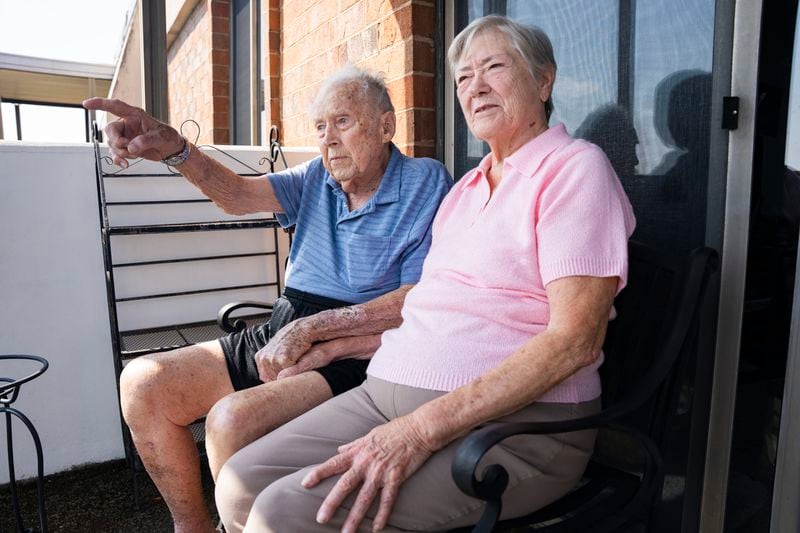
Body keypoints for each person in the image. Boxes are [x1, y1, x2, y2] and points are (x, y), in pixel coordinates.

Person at [215, 14, 636, 533]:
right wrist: (332, 346)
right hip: (385, 395)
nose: (475, 86)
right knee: (239, 481)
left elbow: (574, 341)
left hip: (515, 428)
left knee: (282, 513)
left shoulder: (575, 170)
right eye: (463, 77)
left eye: (494, 67)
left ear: (543, 80)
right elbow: (429, 306)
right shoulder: (466, 189)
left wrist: (418, 431)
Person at [83, 65, 453, 533]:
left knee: (231, 420)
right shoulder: (315, 177)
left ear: (385, 126)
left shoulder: (424, 181)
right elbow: (235, 194)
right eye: (320, 127)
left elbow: (414, 297)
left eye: (343, 121)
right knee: (143, 384)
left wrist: (316, 328)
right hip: (287, 321)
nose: (328, 140)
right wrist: (176, 150)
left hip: (358, 345)